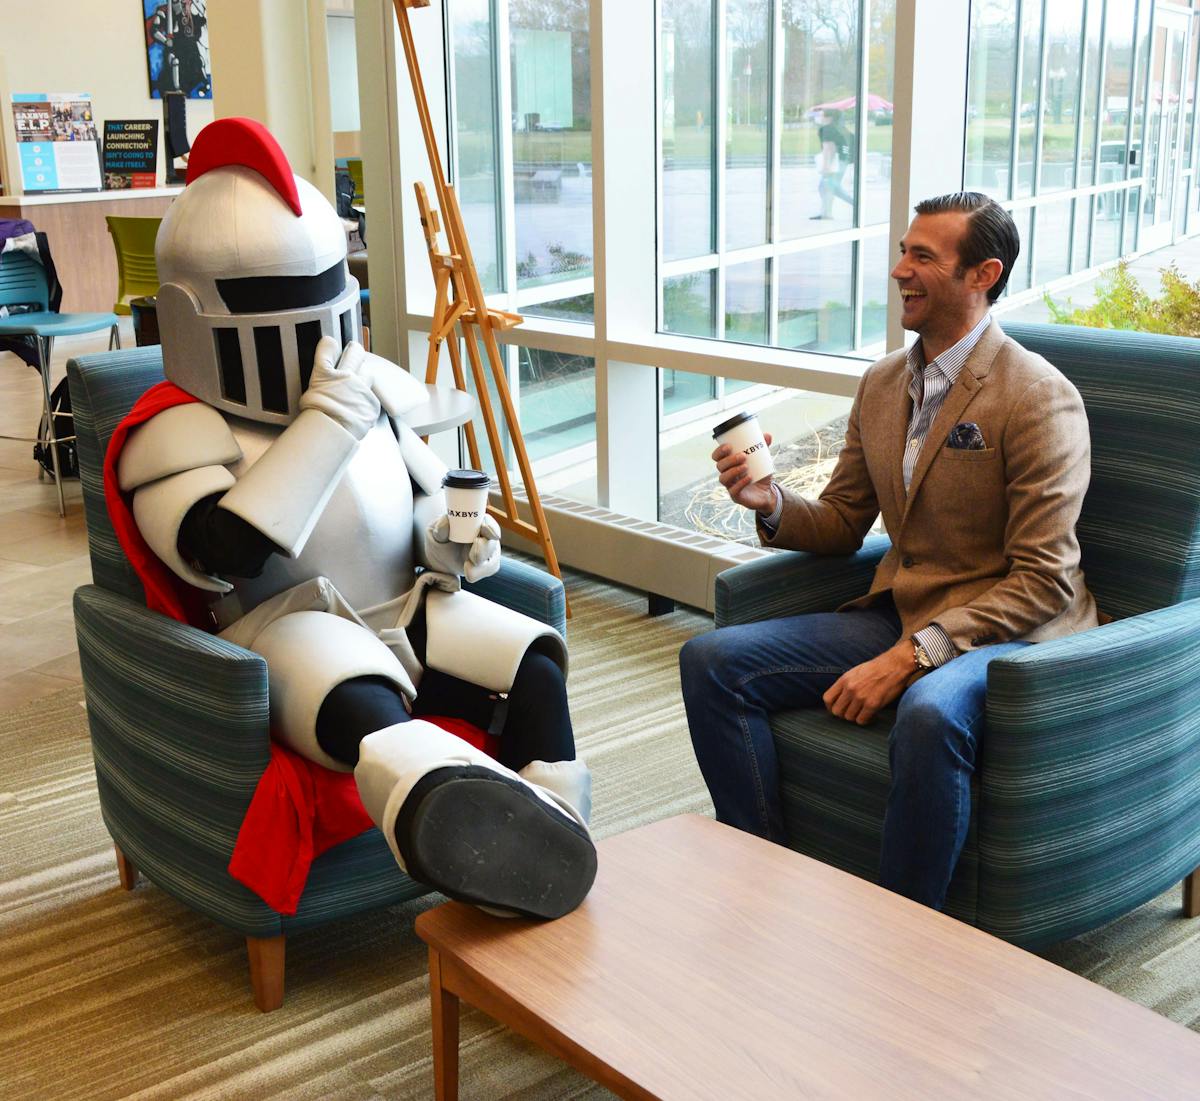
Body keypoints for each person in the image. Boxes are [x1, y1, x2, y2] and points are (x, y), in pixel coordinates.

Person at [109, 117, 596, 920]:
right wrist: (325, 426)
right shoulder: (172, 429)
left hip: (406, 607)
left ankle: (553, 845)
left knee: (535, 666)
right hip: (285, 624)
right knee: (362, 699)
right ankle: (457, 823)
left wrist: (455, 542)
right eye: (274, 304)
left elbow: (420, 505)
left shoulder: (370, 389)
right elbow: (221, 553)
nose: (306, 326)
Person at [680, 192, 1098, 911]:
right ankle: (758, 872)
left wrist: (912, 657)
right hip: (903, 606)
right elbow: (844, 521)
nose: (900, 269)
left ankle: (904, 934)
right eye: (903, 250)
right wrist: (771, 502)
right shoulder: (881, 385)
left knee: (930, 712)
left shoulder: (1037, 397)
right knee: (711, 660)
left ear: (982, 274)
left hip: (1015, 635)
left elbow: (1044, 580)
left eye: (923, 257)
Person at [812, 108, 854, 220]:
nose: (819, 117)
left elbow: (829, 148)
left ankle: (855, 204)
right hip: (843, 160)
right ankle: (826, 213)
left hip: (835, 162)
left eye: (821, 115)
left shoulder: (826, 129)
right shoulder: (841, 128)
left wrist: (826, 166)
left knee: (829, 187)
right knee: (829, 187)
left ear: (829, 118)